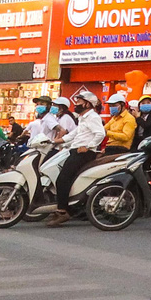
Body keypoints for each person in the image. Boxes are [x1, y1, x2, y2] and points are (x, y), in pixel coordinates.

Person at [45, 90, 106, 225]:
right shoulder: (83, 118)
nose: (76, 104)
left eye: (79, 102)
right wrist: (55, 141)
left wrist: (89, 146)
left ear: (87, 104)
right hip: (75, 151)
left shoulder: (93, 117)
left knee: (62, 179)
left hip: (84, 153)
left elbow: (100, 134)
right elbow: (74, 134)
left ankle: (63, 211)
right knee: (62, 178)